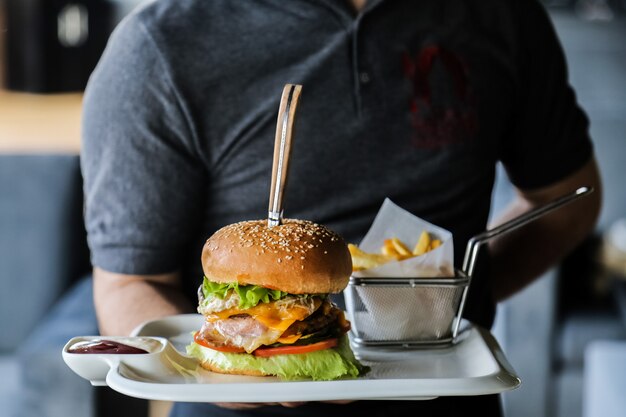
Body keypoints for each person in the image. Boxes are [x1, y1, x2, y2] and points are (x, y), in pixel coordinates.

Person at [80, 0, 602, 416]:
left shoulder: (502, 14)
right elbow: (128, 282)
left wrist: (433, 305)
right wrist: (230, 358)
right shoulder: (155, 46)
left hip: (451, 397)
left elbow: (567, 202)